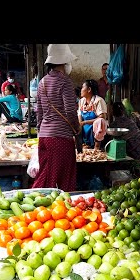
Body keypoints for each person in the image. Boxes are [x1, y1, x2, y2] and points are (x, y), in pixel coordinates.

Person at [33, 44, 80, 192]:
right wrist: (77, 129)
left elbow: (38, 112)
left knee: (47, 174)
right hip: (60, 138)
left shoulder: (42, 83)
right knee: (62, 178)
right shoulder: (65, 82)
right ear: (64, 61)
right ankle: (45, 206)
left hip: (44, 137)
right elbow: (70, 111)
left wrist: (42, 131)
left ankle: (40, 207)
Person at [78, 79, 108, 150]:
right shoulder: (81, 101)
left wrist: (84, 122)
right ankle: (81, 144)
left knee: (100, 121)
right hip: (84, 129)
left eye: (83, 87)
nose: (81, 90)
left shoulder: (99, 100)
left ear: (89, 89)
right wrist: (80, 123)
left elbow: (102, 117)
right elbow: (79, 114)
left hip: (96, 129)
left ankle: (97, 146)